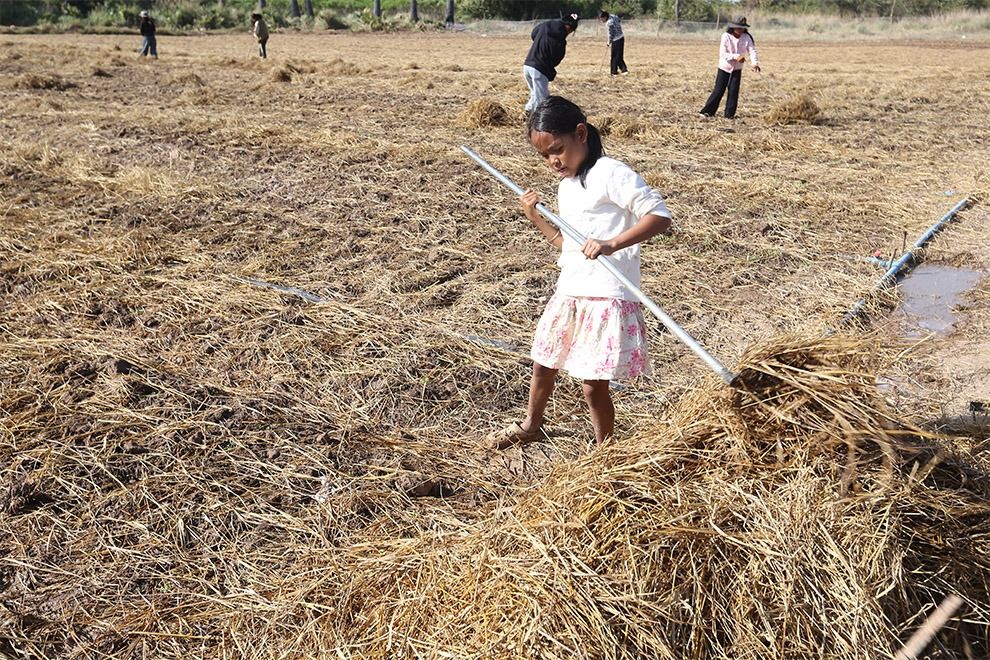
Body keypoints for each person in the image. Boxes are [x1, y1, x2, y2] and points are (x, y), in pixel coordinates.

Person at [488, 96, 673, 448]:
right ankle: (531, 425)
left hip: (605, 295)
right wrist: (535, 218)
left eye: (557, 149)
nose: (552, 161)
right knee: (543, 363)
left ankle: (606, 448)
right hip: (571, 291)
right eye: (544, 156)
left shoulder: (610, 173)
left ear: (581, 133)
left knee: (592, 383)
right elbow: (567, 245)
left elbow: (659, 217)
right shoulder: (566, 186)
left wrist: (612, 243)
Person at [699, 17, 761, 119]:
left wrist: (755, 63)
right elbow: (723, 54)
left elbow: (752, 51)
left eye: (742, 28)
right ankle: (707, 112)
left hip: (737, 69)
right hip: (724, 68)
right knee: (719, 90)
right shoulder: (726, 36)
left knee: (733, 91)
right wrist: (736, 56)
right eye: (738, 28)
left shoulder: (746, 37)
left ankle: (729, 114)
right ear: (733, 27)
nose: (741, 30)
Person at [522, 13, 579, 115]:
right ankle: (537, 121)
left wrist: (540, 42)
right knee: (542, 100)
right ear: (569, 27)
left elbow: (533, 34)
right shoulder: (560, 40)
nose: (570, 33)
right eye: (571, 31)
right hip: (540, 68)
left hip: (528, 65)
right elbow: (557, 58)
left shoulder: (545, 25)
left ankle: (527, 111)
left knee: (535, 94)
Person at [599, 11, 627, 77]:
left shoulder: (609, 23)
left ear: (605, 17)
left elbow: (611, 34)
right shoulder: (614, 16)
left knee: (614, 57)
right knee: (619, 55)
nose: (601, 20)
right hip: (621, 37)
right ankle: (624, 70)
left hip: (616, 40)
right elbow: (619, 20)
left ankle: (613, 72)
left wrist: (609, 42)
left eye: (602, 18)